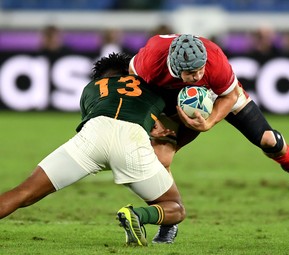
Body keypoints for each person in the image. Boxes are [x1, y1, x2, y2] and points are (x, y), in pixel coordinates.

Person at [129, 34, 289, 244]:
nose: (197, 76)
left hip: (217, 95)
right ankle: (169, 221)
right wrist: (152, 120)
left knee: (270, 141)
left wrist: (210, 122)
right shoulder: (152, 59)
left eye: (200, 69)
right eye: (190, 72)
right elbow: (134, 78)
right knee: (160, 161)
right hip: (171, 100)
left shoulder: (214, 58)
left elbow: (231, 96)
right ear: (175, 67)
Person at [0, 52, 185, 247]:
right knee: (175, 208)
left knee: (24, 193)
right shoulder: (150, 85)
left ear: (101, 77)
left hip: (91, 138)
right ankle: (138, 215)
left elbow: (93, 116)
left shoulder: (90, 88)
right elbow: (167, 119)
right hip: (132, 141)